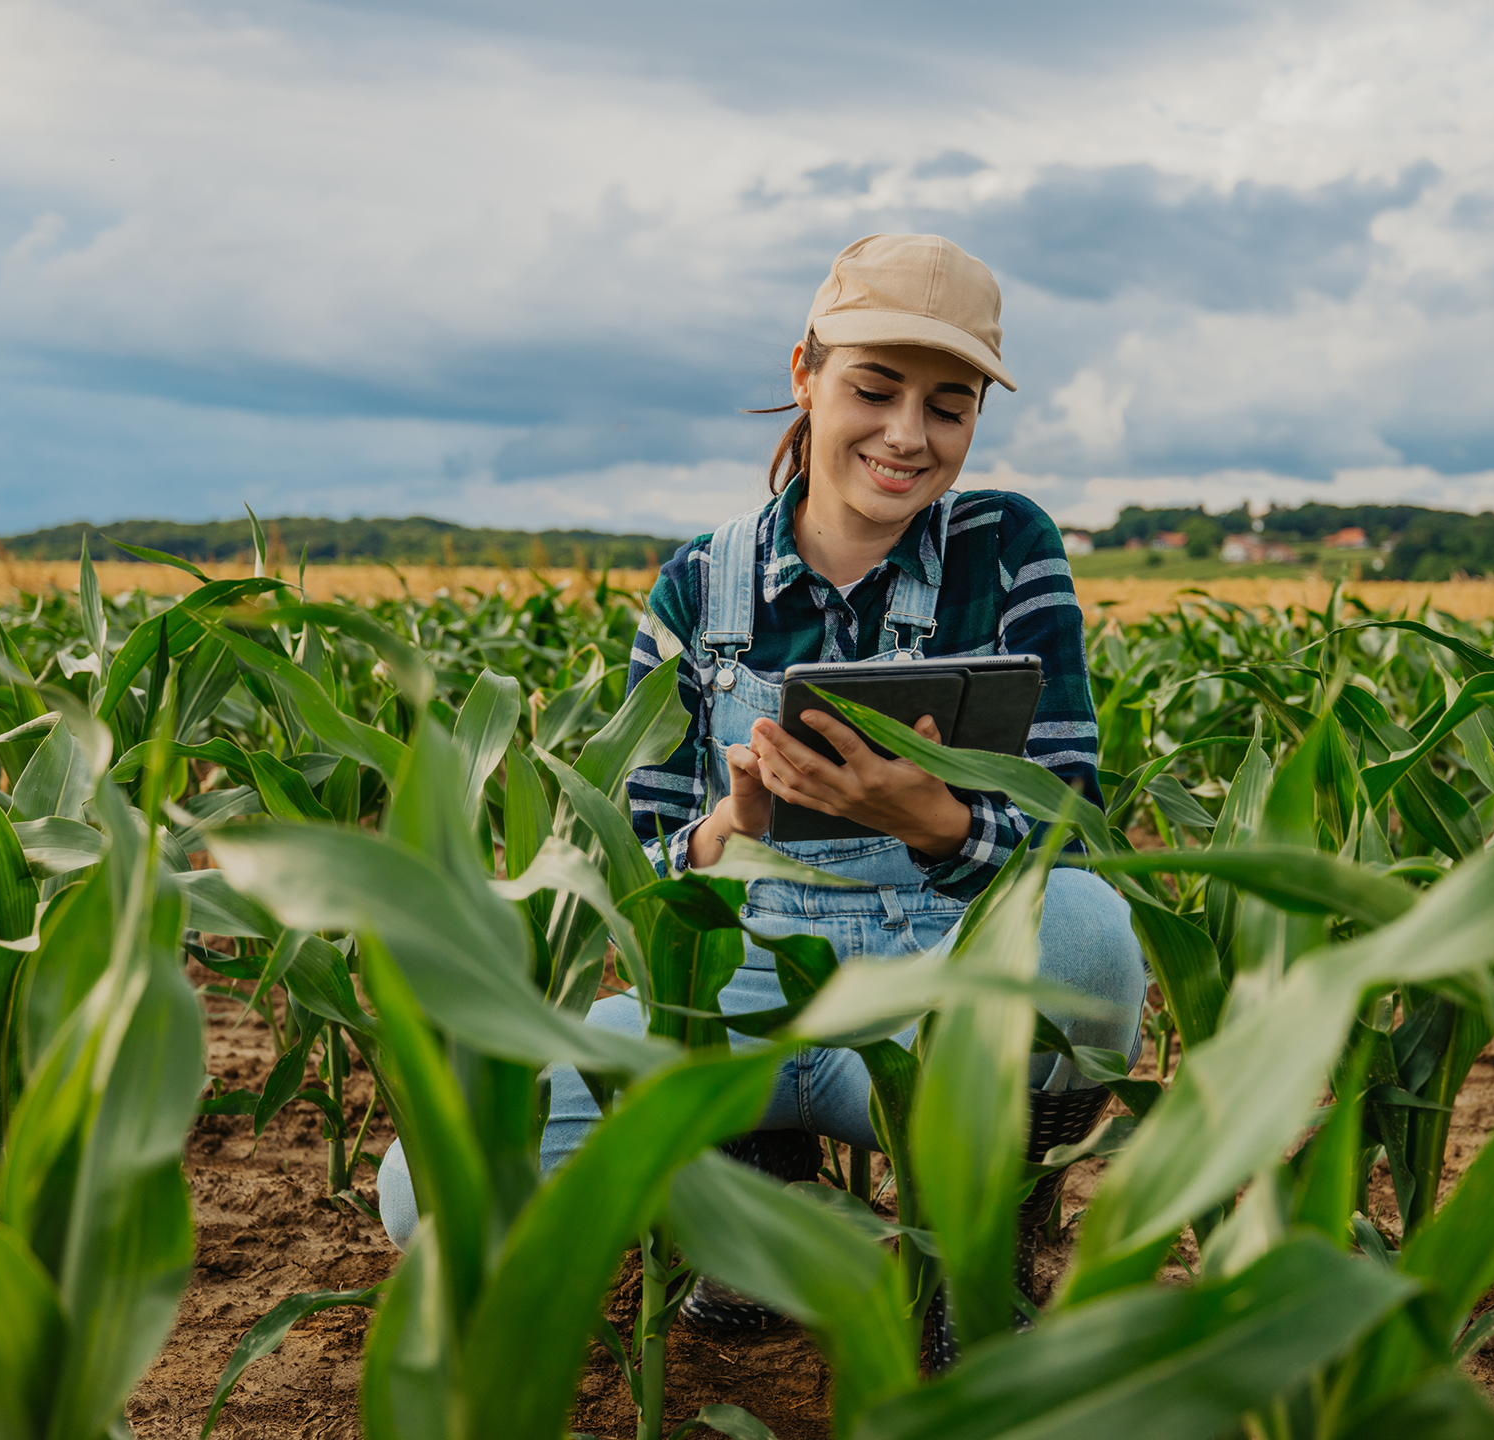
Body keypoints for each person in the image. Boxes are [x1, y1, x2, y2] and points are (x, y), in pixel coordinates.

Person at [379, 234, 1147, 1358]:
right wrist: (731, 824)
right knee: (428, 1198)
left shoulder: (1007, 549)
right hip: (726, 994)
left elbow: (1066, 817)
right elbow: (639, 863)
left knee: (1086, 932)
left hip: (925, 1000)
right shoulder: (701, 582)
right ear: (806, 373)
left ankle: (979, 1220)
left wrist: (929, 821)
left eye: (949, 406)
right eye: (874, 390)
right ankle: (761, 1199)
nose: (906, 436)